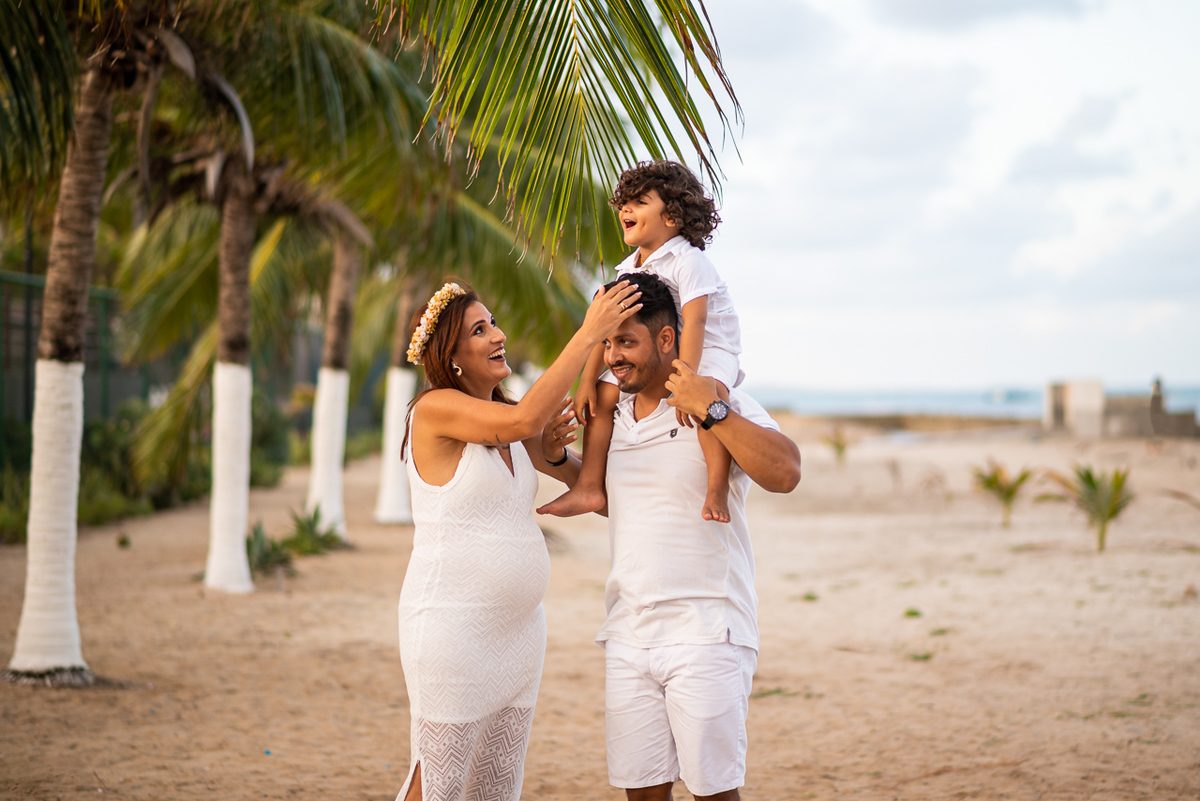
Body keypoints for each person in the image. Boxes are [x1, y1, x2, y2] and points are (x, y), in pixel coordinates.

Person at [539, 272, 800, 801]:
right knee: (642, 795)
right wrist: (550, 456)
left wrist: (714, 408)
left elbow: (786, 472)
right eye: (608, 343)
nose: (614, 356)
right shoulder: (612, 416)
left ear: (665, 340)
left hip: (709, 633)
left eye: (626, 342)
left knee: (714, 794)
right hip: (628, 633)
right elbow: (611, 493)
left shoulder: (719, 403)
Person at [395, 278, 641, 801]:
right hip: (451, 630)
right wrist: (590, 333)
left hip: (519, 636)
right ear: (452, 356)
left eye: (493, 323)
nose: (497, 335)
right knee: (438, 786)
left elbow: (588, 486)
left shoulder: (507, 421)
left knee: (494, 790)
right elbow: (528, 416)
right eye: (479, 330)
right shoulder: (435, 409)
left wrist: (550, 456)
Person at [539, 160, 744, 523]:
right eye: (624, 203)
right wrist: (587, 380)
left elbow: (695, 322)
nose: (626, 209)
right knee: (603, 395)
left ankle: (716, 489)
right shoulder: (627, 270)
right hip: (668, 347)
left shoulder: (689, 261)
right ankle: (588, 485)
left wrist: (687, 379)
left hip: (710, 347)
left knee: (710, 394)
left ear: (673, 217)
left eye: (640, 201)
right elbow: (606, 329)